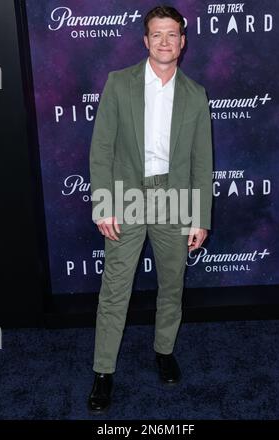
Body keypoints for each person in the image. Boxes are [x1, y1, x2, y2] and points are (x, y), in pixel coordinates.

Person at [88, 5, 213, 413]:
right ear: (146, 40)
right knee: (115, 290)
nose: (164, 42)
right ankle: (103, 372)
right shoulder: (119, 83)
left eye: (172, 34)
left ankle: (164, 351)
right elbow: (102, 148)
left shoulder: (195, 94)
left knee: (172, 286)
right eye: (157, 34)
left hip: (174, 199)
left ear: (183, 41)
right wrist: (104, 204)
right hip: (125, 198)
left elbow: (201, 162)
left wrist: (200, 217)